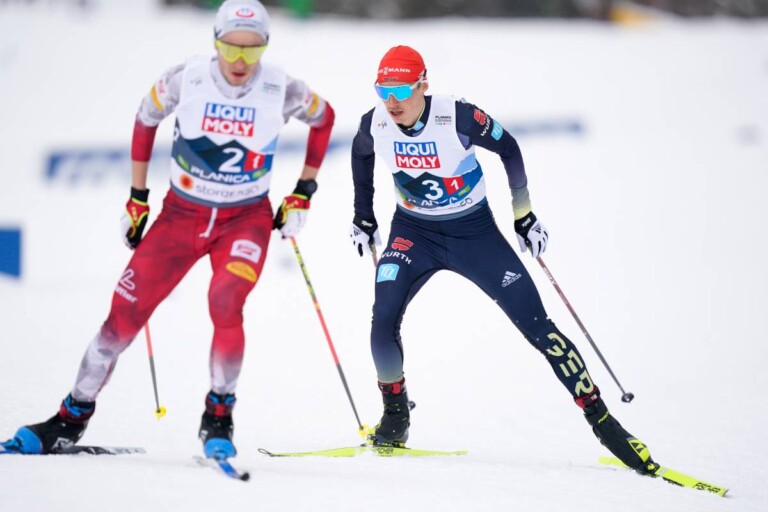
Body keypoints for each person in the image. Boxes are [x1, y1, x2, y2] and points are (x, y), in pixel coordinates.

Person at [1, 0, 334, 458]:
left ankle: (218, 416)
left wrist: (303, 191)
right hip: (181, 216)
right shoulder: (188, 78)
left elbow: (325, 118)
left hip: (245, 219)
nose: (240, 62)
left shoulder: (281, 87)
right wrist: (138, 198)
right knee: (121, 319)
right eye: (230, 49)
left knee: (226, 301)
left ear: (265, 48)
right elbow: (145, 118)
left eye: (252, 51)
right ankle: (69, 418)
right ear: (214, 43)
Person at [349, 45, 656, 474]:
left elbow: (508, 148)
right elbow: (361, 154)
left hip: (474, 234)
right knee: (382, 320)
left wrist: (524, 214)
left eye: (401, 88)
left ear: (423, 84)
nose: (392, 101)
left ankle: (604, 422)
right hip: (412, 233)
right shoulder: (376, 121)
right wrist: (364, 216)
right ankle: (395, 415)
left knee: (539, 328)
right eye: (384, 89)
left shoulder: (456, 115)